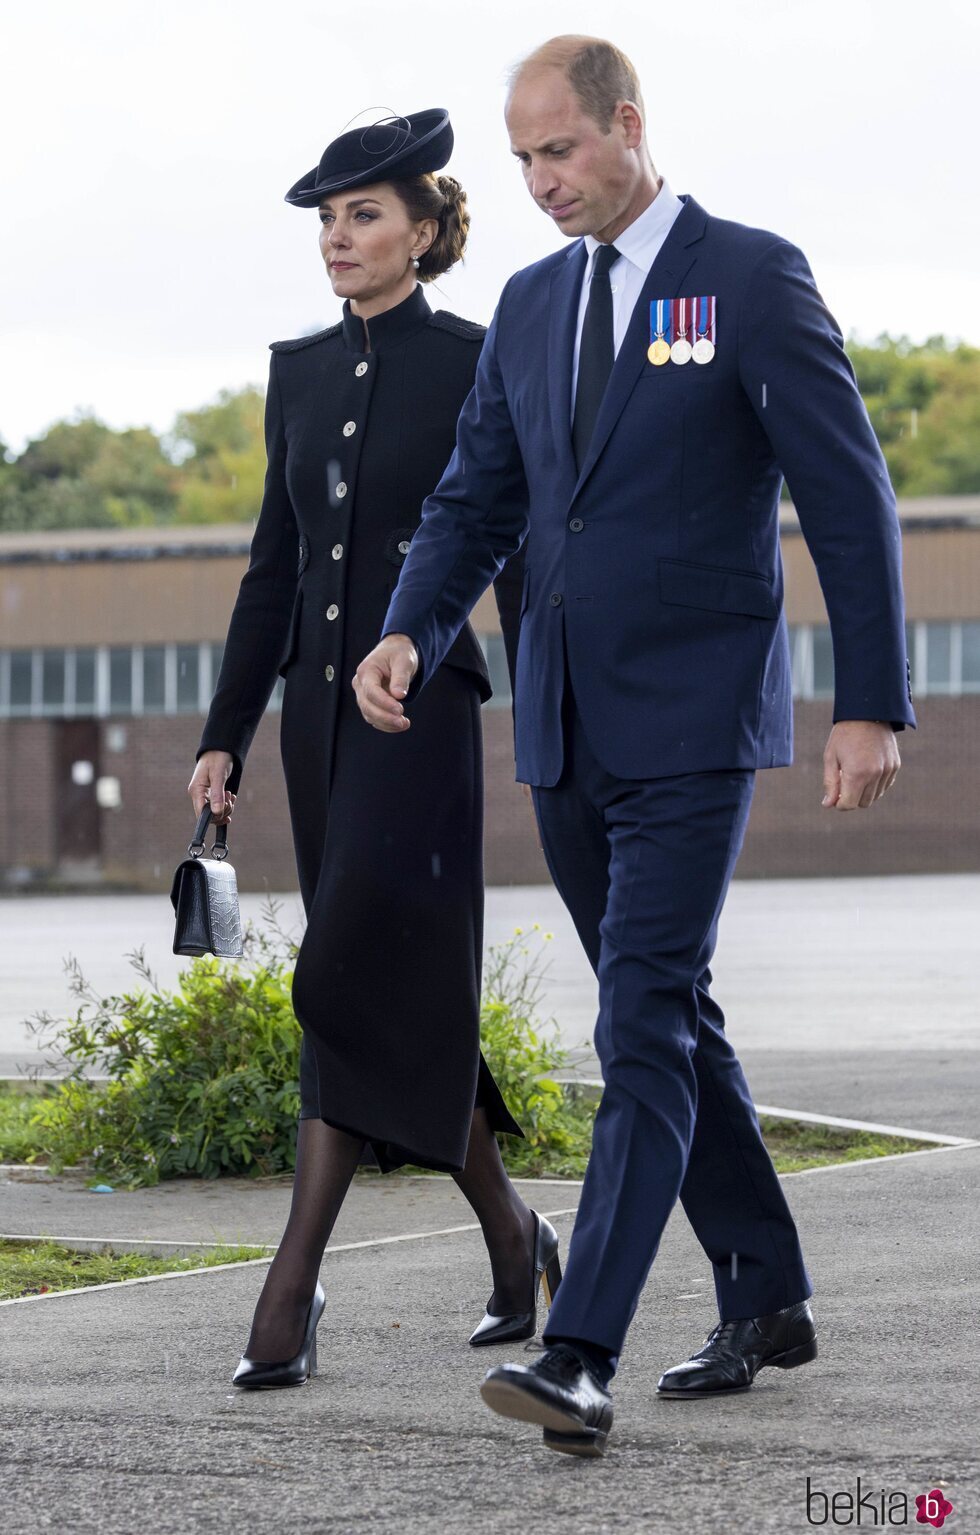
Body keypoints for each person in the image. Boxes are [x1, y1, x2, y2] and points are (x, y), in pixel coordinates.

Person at [354, 41, 915, 1456]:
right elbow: (478, 492)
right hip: (564, 723)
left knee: (641, 1023)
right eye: (523, 161)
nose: (541, 184)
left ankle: (579, 1345)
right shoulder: (536, 304)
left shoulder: (748, 275)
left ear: (627, 125)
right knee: (671, 1014)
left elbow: (848, 492)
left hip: (692, 715)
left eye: (560, 152)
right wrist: (412, 624)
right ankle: (768, 1287)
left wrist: (871, 698)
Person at [189, 109, 562, 1390]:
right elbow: (271, 568)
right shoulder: (296, 370)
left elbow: (510, 538)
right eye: (326, 221)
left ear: (423, 228)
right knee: (388, 982)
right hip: (313, 719)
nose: (338, 240)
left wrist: (552, 700)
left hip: (422, 712)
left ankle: (288, 1291)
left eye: (363, 216)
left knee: (346, 962)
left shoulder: (474, 355)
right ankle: (513, 1237)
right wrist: (220, 736)